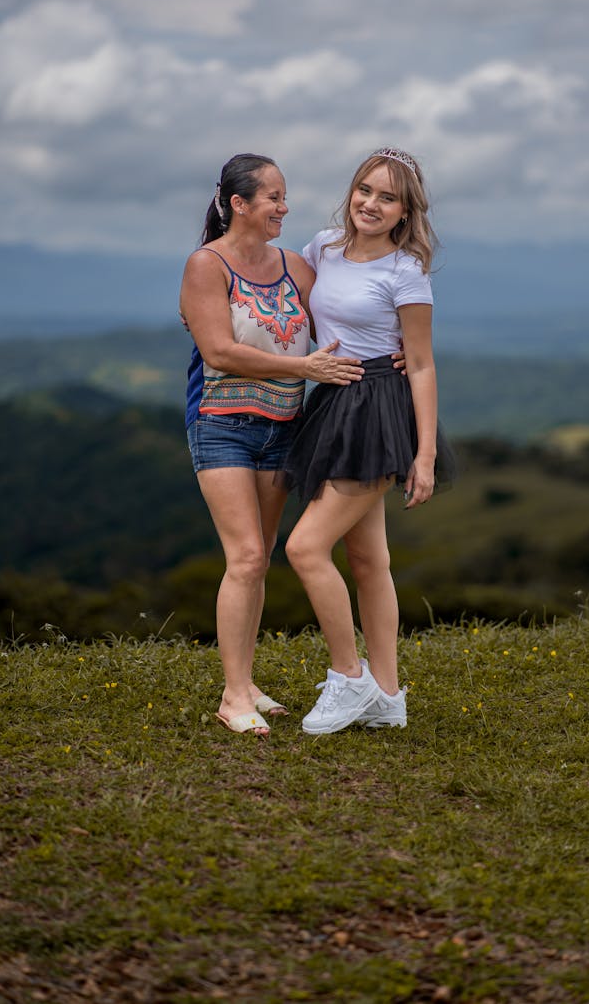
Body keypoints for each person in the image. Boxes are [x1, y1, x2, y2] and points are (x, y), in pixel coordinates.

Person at [179, 153, 365, 737]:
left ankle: (247, 680)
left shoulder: (294, 266)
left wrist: (393, 351)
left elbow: (338, 319)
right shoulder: (207, 265)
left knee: (258, 557)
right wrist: (303, 367)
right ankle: (234, 696)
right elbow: (219, 352)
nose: (284, 208)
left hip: (284, 427)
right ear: (239, 204)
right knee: (249, 557)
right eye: (273, 198)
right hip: (222, 423)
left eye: (285, 197)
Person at [278, 147, 454, 735]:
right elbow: (278, 285)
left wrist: (423, 455)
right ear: (351, 192)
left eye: (387, 197)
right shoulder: (323, 246)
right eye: (365, 190)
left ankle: (348, 678)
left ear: (406, 211)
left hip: (379, 407)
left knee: (305, 548)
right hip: (332, 402)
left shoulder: (406, 271)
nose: (371, 204)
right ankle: (386, 694)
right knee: (367, 559)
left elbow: (423, 365)